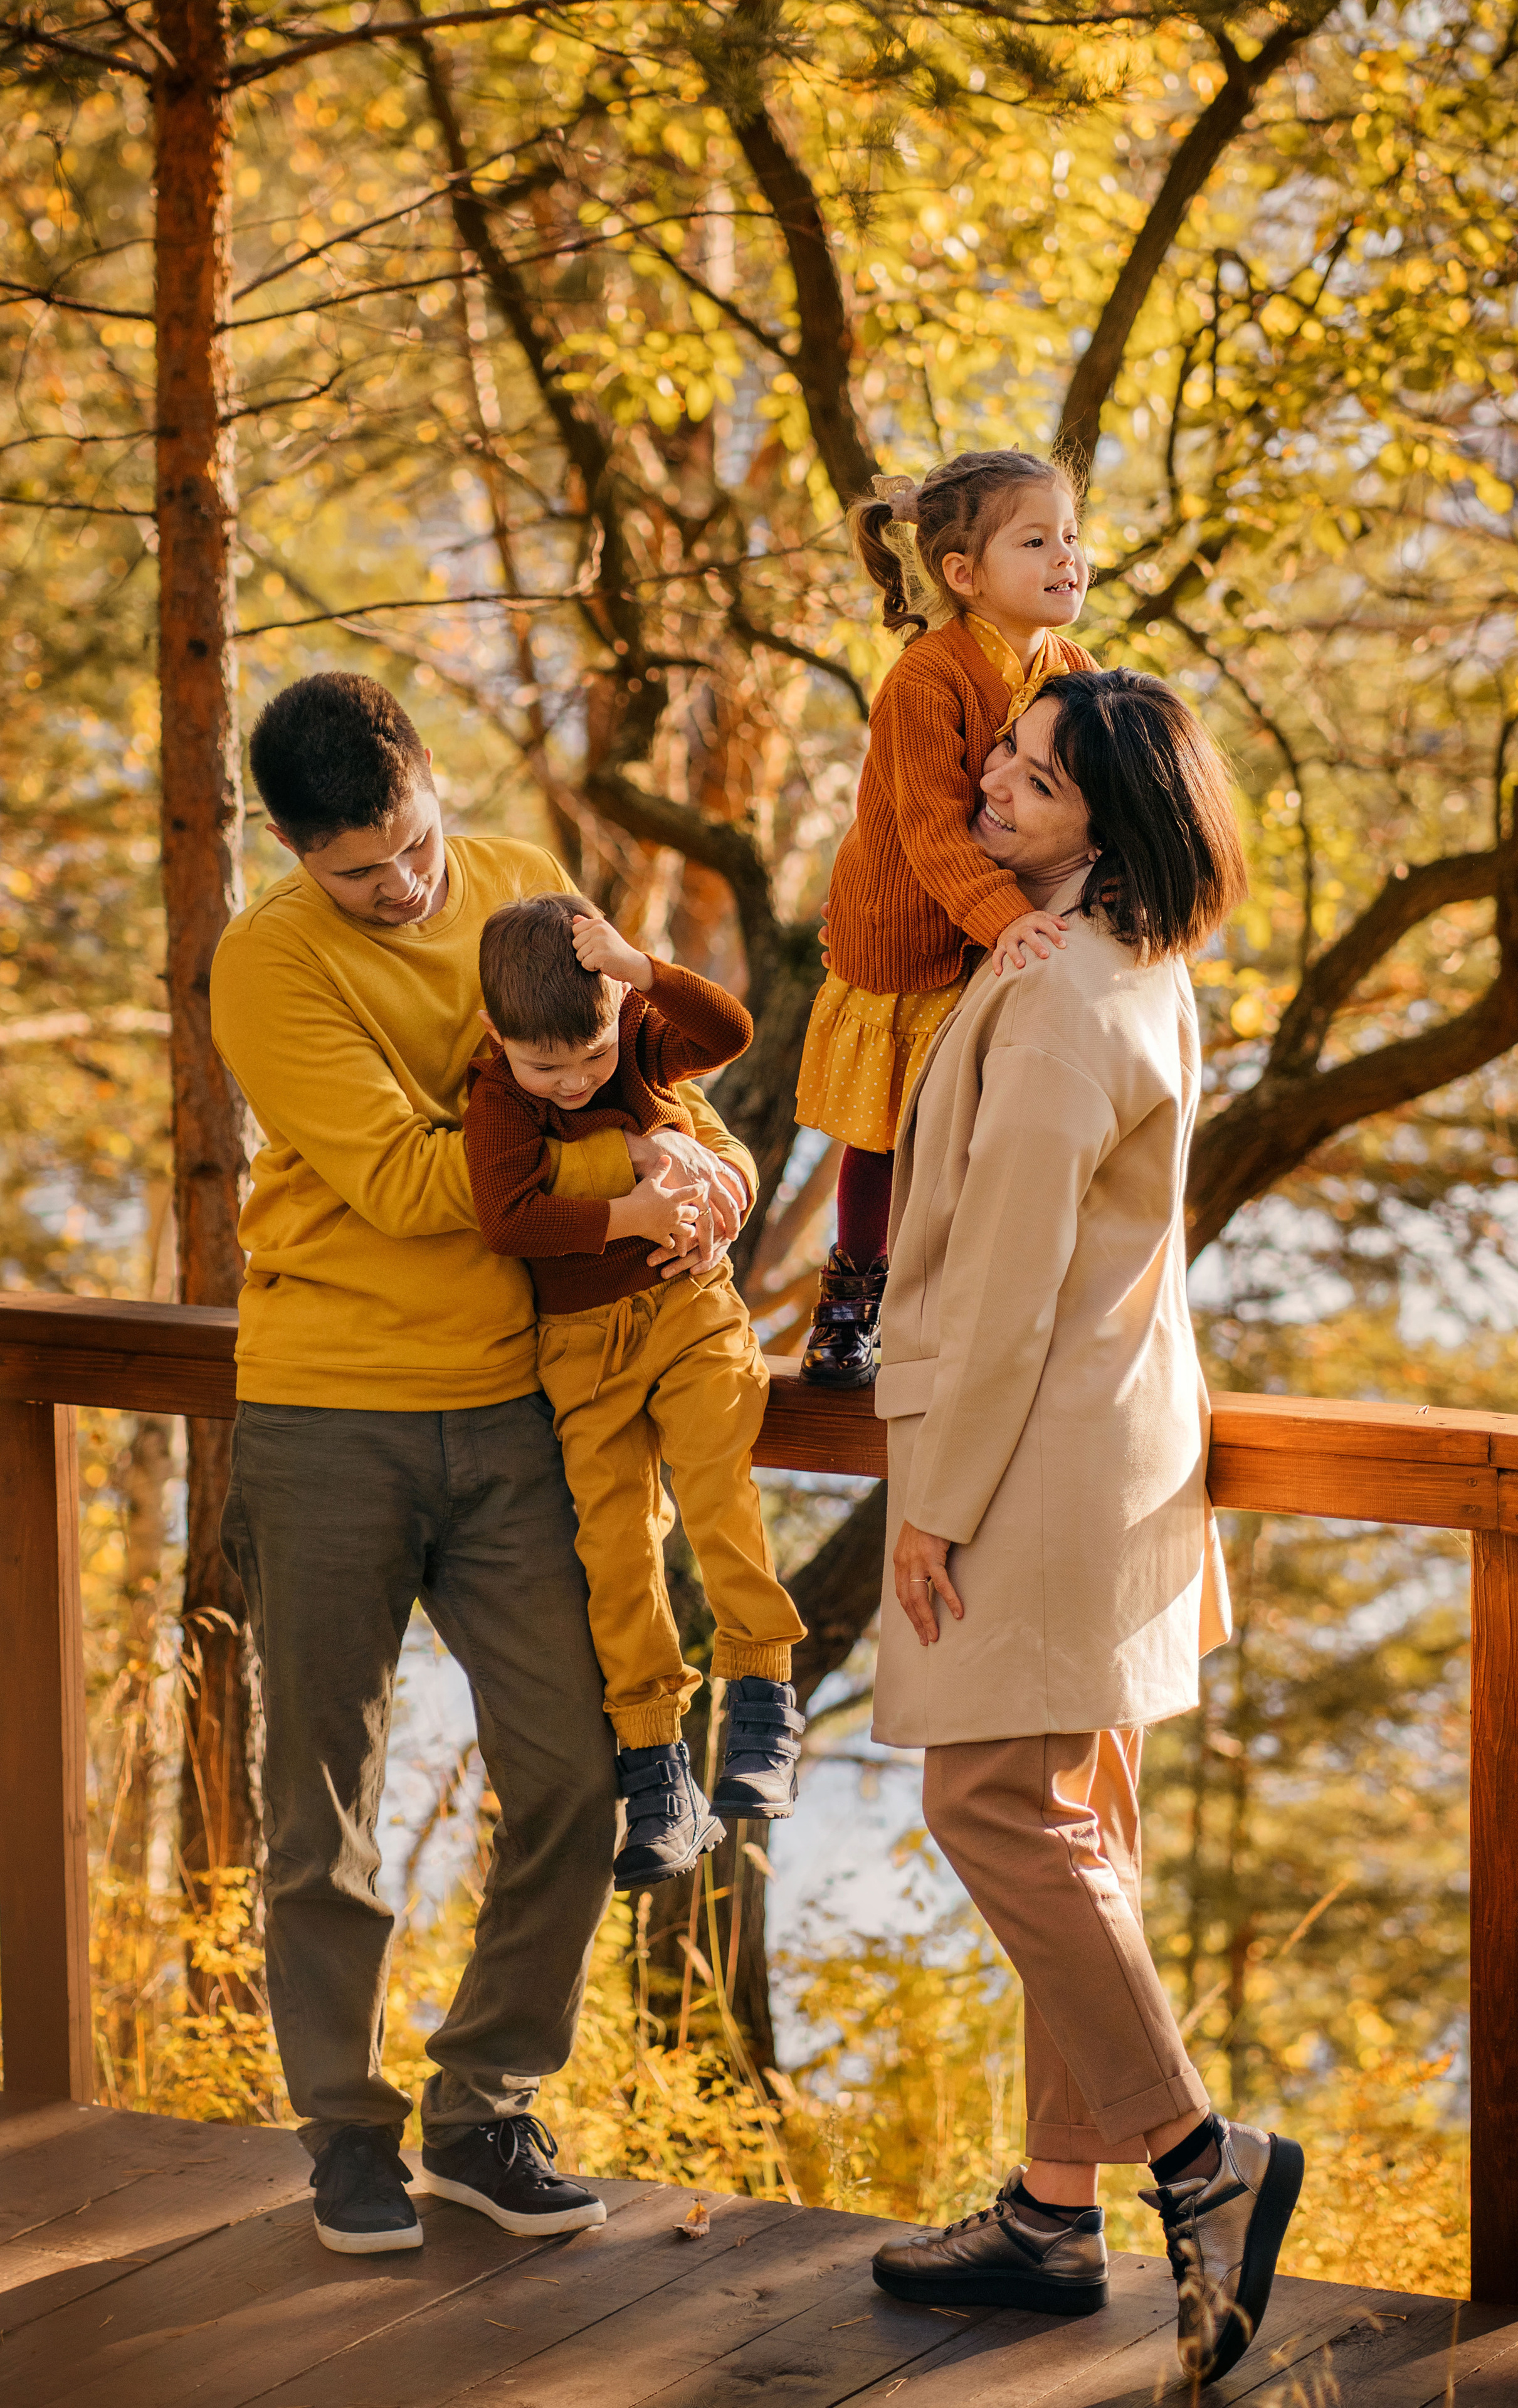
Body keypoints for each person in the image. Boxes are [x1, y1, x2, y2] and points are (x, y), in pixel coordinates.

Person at [210, 671, 755, 2258]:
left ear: (436, 786)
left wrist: (702, 1170)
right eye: (359, 873)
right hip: (328, 1411)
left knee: (580, 1774)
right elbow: (393, 1178)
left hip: (522, 1409)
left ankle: (482, 2106)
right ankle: (346, 2132)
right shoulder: (269, 963)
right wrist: (620, 1185)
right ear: (294, 853)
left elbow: (653, 1065)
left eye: (412, 846)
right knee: (324, 1800)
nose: (403, 889)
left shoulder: (524, 881)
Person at [865, 668, 1304, 2388]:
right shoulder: (1127, 967)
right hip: (1119, 1450)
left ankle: (1203, 2161)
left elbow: (1007, 1282)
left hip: (1035, 1464)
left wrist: (936, 1508)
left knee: (997, 1807)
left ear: (1106, 822)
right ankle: (1056, 2214)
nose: (992, 779)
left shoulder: (1059, 1006)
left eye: (1033, 778)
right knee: (1073, 1828)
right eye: (1004, 754)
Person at [463, 892, 806, 1887]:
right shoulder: (501, 1095)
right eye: (546, 1066)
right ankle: (656, 1765)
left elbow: (731, 1031)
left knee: (716, 1491)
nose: (572, 1083)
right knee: (614, 1544)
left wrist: (644, 971)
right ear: (499, 1036)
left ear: (616, 1008)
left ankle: (760, 1695)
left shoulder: (642, 1035)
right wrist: (631, 1206)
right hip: (580, 1350)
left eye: (592, 1057)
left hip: (690, 1311)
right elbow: (509, 1219)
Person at [794, 449, 1095, 1388]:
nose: (1067, 558)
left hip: (988, 927)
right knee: (882, 1134)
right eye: (1036, 541)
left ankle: (963, 1304)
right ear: (963, 575)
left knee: (971, 1132)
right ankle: (851, 1299)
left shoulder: (1072, 670)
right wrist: (1005, 917)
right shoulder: (925, 682)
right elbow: (929, 832)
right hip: (908, 933)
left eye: (1073, 537)